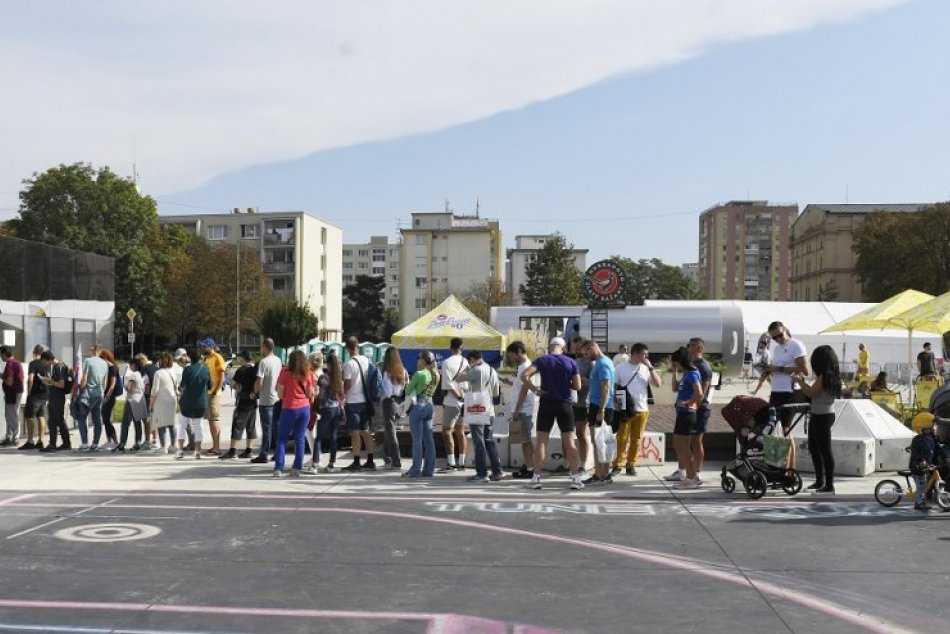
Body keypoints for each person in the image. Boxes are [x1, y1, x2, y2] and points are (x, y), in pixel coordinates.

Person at [515, 337, 585, 491]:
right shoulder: (571, 362)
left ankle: (536, 478)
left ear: (550, 347)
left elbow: (524, 376)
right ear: (563, 347)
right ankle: (576, 478)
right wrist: (566, 383)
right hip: (565, 405)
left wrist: (536, 390)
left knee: (541, 442)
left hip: (546, 403)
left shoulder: (542, 360)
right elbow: (578, 386)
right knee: (569, 442)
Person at [793, 345, 842, 496]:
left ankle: (829, 485)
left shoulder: (823, 377)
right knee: (815, 449)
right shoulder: (833, 375)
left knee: (825, 451)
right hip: (823, 414)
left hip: (822, 416)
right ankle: (820, 481)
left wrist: (800, 381)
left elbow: (811, 393)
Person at [611, 342, 661, 477]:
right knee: (622, 437)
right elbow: (614, 386)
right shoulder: (621, 368)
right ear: (636, 353)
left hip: (642, 407)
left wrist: (650, 367)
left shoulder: (645, 368)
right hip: (625, 407)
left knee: (636, 438)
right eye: (645, 354)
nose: (647, 356)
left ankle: (631, 464)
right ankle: (618, 464)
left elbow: (657, 384)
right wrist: (615, 403)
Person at [767, 321, 808, 468]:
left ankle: (790, 468)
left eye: (779, 335)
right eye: (774, 337)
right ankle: (778, 465)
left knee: (786, 430)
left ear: (785, 330)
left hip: (789, 392)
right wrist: (769, 369)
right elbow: (778, 368)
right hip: (776, 391)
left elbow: (805, 370)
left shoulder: (795, 345)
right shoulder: (777, 349)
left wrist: (778, 368)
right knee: (773, 429)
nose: (778, 339)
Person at [273, 350, 316, 478]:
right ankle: (296, 468)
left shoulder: (285, 372)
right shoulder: (308, 373)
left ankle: (278, 468)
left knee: (282, 439)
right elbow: (311, 394)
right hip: (304, 409)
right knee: (300, 438)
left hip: (289, 408)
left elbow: (280, 394)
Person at [463, 350, 504, 483]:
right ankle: (497, 471)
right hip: (489, 410)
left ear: (473, 359)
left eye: (469, 361)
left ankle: (482, 474)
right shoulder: (493, 370)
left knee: (478, 443)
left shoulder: (476, 370)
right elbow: (496, 393)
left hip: (477, 411)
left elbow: (457, 378)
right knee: (489, 441)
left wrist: (468, 368)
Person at [581, 340, 616, 485]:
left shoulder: (602, 364)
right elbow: (601, 385)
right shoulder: (605, 361)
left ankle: (601, 475)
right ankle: (602, 474)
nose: (586, 356)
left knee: (599, 442)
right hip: (601, 405)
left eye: (587, 352)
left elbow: (605, 387)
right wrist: (587, 381)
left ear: (592, 348)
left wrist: (600, 410)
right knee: (602, 441)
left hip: (600, 406)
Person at [342, 335, 377, 472]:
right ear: (358, 346)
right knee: (366, 431)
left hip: (353, 401)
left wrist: (342, 394)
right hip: (365, 400)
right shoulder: (366, 361)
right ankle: (370, 460)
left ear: (347, 349)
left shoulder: (348, 364)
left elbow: (348, 383)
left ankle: (356, 461)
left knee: (355, 433)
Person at [402, 351, 439, 478]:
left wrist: (408, 383)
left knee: (417, 440)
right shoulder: (435, 374)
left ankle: (416, 469)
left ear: (423, 360)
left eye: (419, 358)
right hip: (430, 405)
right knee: (429, 440)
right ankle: (429, 470)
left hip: (419, 405)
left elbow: (408, 390)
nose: (417, 360)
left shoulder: (419, 374)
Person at [505, 341, 538, 479]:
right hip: (522, 408)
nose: (512, 358)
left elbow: (524, 391)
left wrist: (517, 410)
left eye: (512, 355)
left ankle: (531, 468)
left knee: (526, 440)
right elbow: (520, 386)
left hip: (524, 409)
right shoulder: (522, 367)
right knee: (524, 440)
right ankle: (528, 465)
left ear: (518, 351)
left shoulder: (526, 367)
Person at [437, 337, 469, 473]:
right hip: (464, 400)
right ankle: (461, 462)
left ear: (450, 347)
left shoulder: (446, 362)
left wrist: (457, 396)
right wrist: (462, 397)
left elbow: (448, 383)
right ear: (462, 347)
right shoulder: (466, 361)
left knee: (446, 431)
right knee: (460, 431)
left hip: (452, 401)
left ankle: (451, 463)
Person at [221, 350, 258, 460]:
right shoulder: (254, 370)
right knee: (251, 426)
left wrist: (235, 385)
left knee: (237, 425)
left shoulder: (240, 371)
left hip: (242, 400)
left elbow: (233, 384)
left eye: (239, 357)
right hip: (253, 401)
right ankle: (249, 450)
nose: (238, 359)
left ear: (243, 358)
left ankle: (232, 451)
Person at [251, 338, 282, 464]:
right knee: (276, 428)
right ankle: (278, 452)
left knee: (266, 428)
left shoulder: (263, 362)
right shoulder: (278, 360)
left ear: (265, 347)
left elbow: (260, 381)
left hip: (265, 399)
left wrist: (254, 392)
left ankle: (264, 454)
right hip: (277, 398)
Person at [177, 349, 211, 460]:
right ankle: (197, 451)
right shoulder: (206, 369)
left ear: (190, 358)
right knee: (199, 426)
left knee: (182, 425)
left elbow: (182, 385)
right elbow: (210, 385)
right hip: (200, 402)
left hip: (187, 402)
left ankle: (180, 451)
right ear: (200, 358)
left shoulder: (187, 369)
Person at [314, 352, 345, 473]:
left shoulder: (323, 377)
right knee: (333, 436)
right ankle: (331, 464)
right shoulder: (339, 378)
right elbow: (342, 395)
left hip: (326, 409)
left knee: (319, 437)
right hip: (336, 409)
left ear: (328, 364)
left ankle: (315, 463)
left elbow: (319, 394)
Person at [76, 344, 108, 451]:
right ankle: (95, 443)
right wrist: (102, 392)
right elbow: (105, 381)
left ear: (93, 350)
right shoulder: (104, 363)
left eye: (90, 349)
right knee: (97, 419)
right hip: (99, 393)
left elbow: (84, 377)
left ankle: (85, 443)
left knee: (82, 418)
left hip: (88, 394)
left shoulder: (88, 361)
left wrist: (80, 388)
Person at [380, 347, 408, 470]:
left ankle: (396, 460)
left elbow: (387, 391)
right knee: (389, 430)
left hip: (389, 401)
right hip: (400, 402)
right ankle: (387, 457)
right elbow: (406, 387)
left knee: (391, 431)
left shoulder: (387, 372)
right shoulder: (403, 370)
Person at [569, 335, 593, 474]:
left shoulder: (590, 363)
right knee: (567, 434)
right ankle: (570, 463)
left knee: (581, 434)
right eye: (574, 346)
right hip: (569, 402)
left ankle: (583, 464)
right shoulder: (571, 361)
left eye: (578, 346)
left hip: (583, 403)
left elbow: (594, 383)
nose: (576, 349)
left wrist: (582, 380)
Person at [199, 338, 226, 456]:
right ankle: (214, 446)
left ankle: (217, 447)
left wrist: (216, 390)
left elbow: (222, 376)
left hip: (214, 393)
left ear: (210, 347)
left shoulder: (217, 358)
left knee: (214, 419)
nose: (202, 348)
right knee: (210, 420)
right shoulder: (206, 359)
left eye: (204, 346)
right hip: (207, 393)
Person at [149, 352, 180, 454]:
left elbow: (155, 390)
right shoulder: (173, 372)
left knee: (161, 423)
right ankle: (173, 445)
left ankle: (163, 446)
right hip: (172, 400)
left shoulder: (158, 373)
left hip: (161, 400)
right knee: (172, 423)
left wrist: (151, 405)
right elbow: (176, 387)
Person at [115, 357, 148, 452]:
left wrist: (124, 386)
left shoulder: (133, 375)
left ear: (134, 365)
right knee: (137, 422)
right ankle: (138, 442)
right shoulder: (143, 375)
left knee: (125, 423)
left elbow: (130, 388)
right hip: (140, 400)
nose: (130, 366)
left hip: (132, 400)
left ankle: (122, 443)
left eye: (130, 365)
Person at [40, 350, 71, 452]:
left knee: (59, 420)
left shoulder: (60, 367)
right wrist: (49, 381)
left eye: (44, 361)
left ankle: (66, 443)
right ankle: (52, 444)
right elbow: (56, 383)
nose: (44, 363)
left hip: (58, 398)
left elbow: (61, 385)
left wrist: (49, 381)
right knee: (52, 421)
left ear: (49, 359)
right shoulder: (56, 367)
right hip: (54, 397)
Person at [22, 344, 50, 450]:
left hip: (35, 394)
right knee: (41, 416)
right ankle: (41, 440)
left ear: (34, 353)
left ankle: (30, 441)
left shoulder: (33, 363)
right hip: (45, 394)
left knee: (30, 416)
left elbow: (30, 379)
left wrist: (29, 392)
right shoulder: (46, 364)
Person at [908, 420, 938, 511]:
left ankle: (923, 501)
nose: (934, 427)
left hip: (926, 466)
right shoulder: (918, 439)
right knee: (921, 485)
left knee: (924, 484)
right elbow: (916, 453)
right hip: (917, 466)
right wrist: (921, 461)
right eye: (932, 426)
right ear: (925, 428)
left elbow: (936, 450)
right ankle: (918, 503)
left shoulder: (931, 438)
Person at [0, 346, 24, 448]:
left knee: (12, 415)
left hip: (12, 393)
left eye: (1, 355)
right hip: (15, 392)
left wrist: (5, 379)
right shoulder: (15, 362)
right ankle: (9, 437)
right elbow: (8, 378)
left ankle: (15, 437)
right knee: (9, 414)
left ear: (5, 354)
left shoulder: (10, 364)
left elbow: (9, 382)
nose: (1, 357)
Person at [98, 348, 121, 449]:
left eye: (101, 358)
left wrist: (106, 396)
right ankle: (110, 440)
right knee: (105, 418)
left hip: (110, 397)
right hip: (107, 396)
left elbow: (112, 385)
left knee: (106, 419)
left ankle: (114, 440)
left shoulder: (112, 368)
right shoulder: (107, 368)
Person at [136, 353, 158, 451]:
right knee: (154, 419)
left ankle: (147, 441)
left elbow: (145, 385)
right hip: (157, 396)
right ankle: (155, 440)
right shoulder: (155, 367)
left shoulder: (144, 369)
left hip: (148, 397)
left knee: (146, 420)